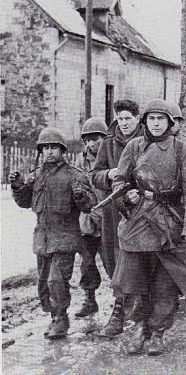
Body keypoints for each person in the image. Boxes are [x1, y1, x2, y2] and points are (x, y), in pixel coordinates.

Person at [111, 99, 186, 355]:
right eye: (151, 118)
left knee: (165, 286)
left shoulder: (181, 150)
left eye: (160, 119)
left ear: (170, 122)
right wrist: (126, 196)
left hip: (168, 222)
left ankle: (158, 332)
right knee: (133, 283)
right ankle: (140, 326)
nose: (155, 123)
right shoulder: (133, 147)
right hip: (136, 223)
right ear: (145, 122)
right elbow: (119, 181)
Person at [10, 128, 96, 340]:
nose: (49, 152)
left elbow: (89, 205)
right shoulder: (36, 176)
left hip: (65, 238)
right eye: (45, 148)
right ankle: (54, 317)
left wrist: (80, 195)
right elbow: (24, 202)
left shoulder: (74, 175)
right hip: (42, 239)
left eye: (54, 148)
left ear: (62, 150)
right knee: (43, 283)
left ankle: (61, 319)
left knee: (56, 281)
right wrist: (17, 186)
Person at [91, 99, 143, 338]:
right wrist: (109, 174)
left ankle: (136, 313)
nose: (123, 123)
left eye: (128, 119)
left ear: (137, 118)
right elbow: (95, 176)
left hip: (142, 209)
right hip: (114, 211)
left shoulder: (147, 141)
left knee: (142, 261)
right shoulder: (108, 145)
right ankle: (121, 307)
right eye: (120, 119)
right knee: (115, 259)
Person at [74, 117, 108, 318]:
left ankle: (124, 301)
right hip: (88, 219)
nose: (92, 143)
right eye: (87, 139)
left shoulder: (111, 157)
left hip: (109, 218)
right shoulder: (80, 160)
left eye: (96, 138)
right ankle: (90, 299)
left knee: (114, 263)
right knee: (87, 263)